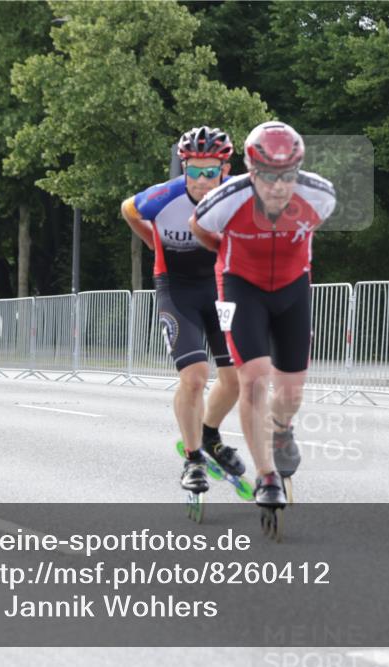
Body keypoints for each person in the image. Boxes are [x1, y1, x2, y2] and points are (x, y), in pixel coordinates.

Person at [190, 121, 336, 508]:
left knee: (291, 390)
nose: (278, 186)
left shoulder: (320, 195)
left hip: (292, 289)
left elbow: (312, 228)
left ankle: (283, 429)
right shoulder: (226, 199)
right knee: (253, 378)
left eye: (288, 176)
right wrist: (227, 251)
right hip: (240, 287)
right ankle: (265, 474)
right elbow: (201, 229)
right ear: (251, 171)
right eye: (268, 177)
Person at [120, 126, 246, 494]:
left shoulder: (238, 196)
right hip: (176, 290)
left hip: (220, 288)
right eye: (193, 170)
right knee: (193, 377)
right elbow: (129, 209)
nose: (202, 180)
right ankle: (192, 460)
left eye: (211, 171)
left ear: (226, 169)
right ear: (182, 167)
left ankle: (210, 436)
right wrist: (153, 243)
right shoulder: (163, 197)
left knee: (235, 379)